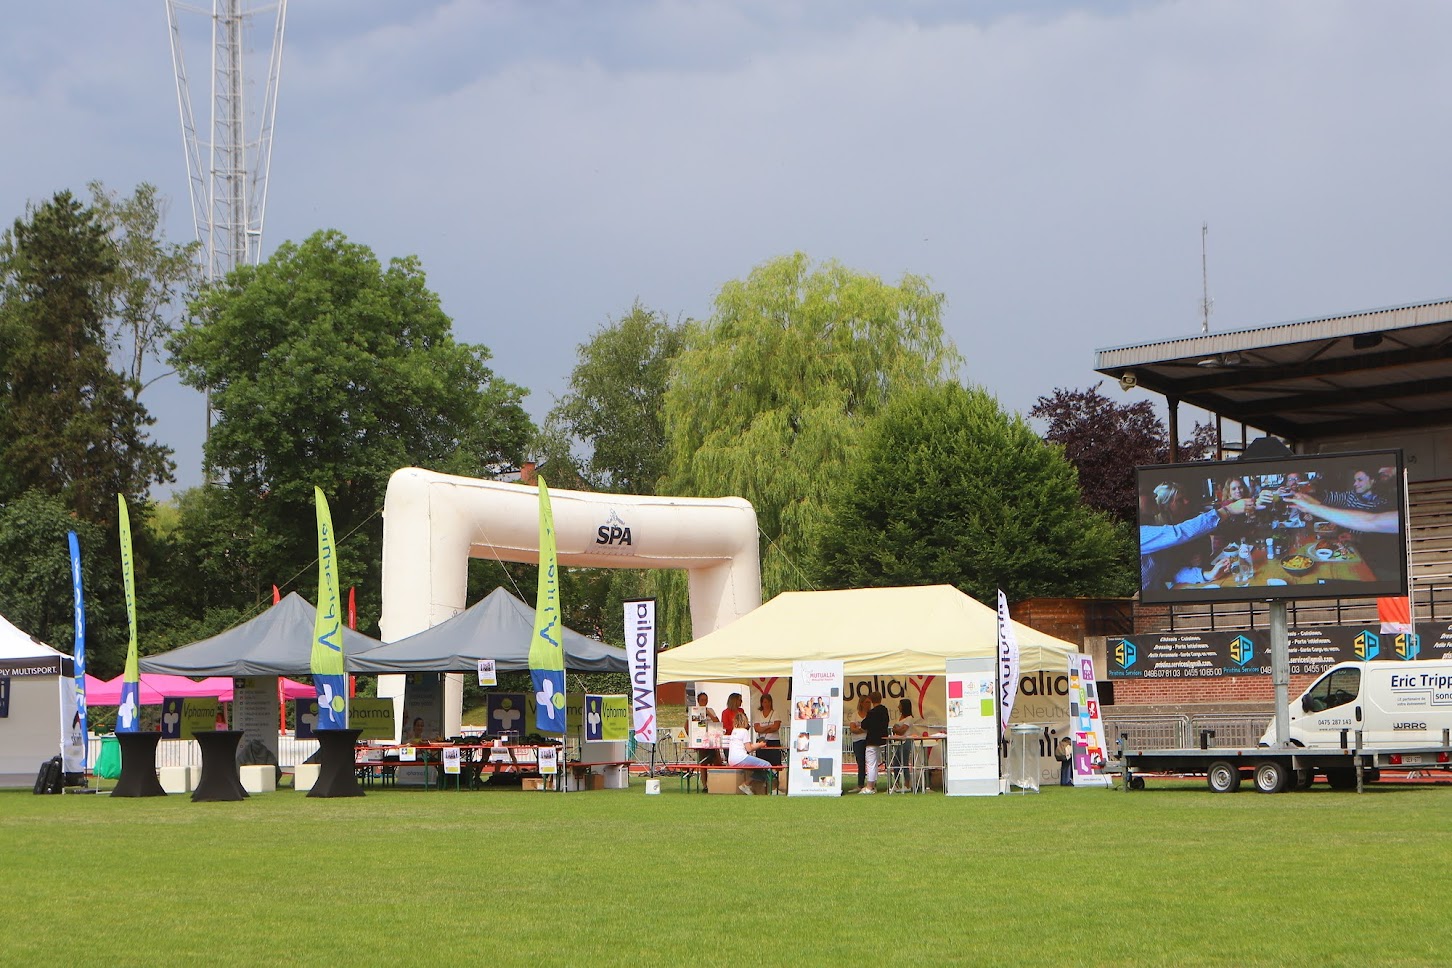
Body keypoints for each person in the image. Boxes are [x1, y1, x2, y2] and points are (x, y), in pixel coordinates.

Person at [1139, 482, 1253, 589]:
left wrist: (1208, 575)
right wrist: (1228, 510)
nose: (1153, 494)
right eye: (1146, 492)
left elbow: (1173, 572)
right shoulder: (1140, 533)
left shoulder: (1157, 527)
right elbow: (1180, 533)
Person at [857, 691, 890, 794]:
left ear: (871, 700)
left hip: (872, 740)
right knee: (875, 764)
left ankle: (870, 786)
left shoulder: (871, 713)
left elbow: (864, 725)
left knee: (871, 764)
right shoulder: (884, 710)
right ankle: (873, 784)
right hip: (882, 739)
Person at [725, 726, 774, 795]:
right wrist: (760, 745)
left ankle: (746, 784)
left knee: (760, 769)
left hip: (732, 759)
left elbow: (748, 747)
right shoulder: (744, 731)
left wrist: (759, 745)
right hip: (741, 758)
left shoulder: (734, 731)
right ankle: (774, 789)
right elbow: (749, 749)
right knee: (767, 765)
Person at [889, 698, 917, 792]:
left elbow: (902, 730)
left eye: (900, 705)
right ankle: (896, 784)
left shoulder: (909, 718)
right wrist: (897, 729)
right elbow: (894, 728)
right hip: (898, 742)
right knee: (896, 763)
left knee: (904, 763)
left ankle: (907, 784)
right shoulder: (900, 717)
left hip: (906, 742)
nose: (898, 707)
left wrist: (897, 729)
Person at [752, 694, 783, 770]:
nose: (767, 704)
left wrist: (762, 728)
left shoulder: (775, 713)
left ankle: (775, 778)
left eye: (768, 702)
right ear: (761, 703)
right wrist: (769, 726)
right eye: (765, 702)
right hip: (761, 740)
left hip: (773, 740)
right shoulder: (758, 714)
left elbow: (776, 727)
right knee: (761, 762)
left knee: (775, 762)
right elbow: (757, 729)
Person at [848, 696, 871, 792]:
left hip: (868, 740)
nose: (868, 704)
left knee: (870, 763)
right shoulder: (855, 715)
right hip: (857, 741)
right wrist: (861, 730)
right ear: (861, 703)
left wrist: (860, 729)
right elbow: (852, 729)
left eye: (869, 702)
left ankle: (871, 784)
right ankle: (860, 784)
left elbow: (870, 728)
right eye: (866, 702)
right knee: (860, 763)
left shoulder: (871, 715)